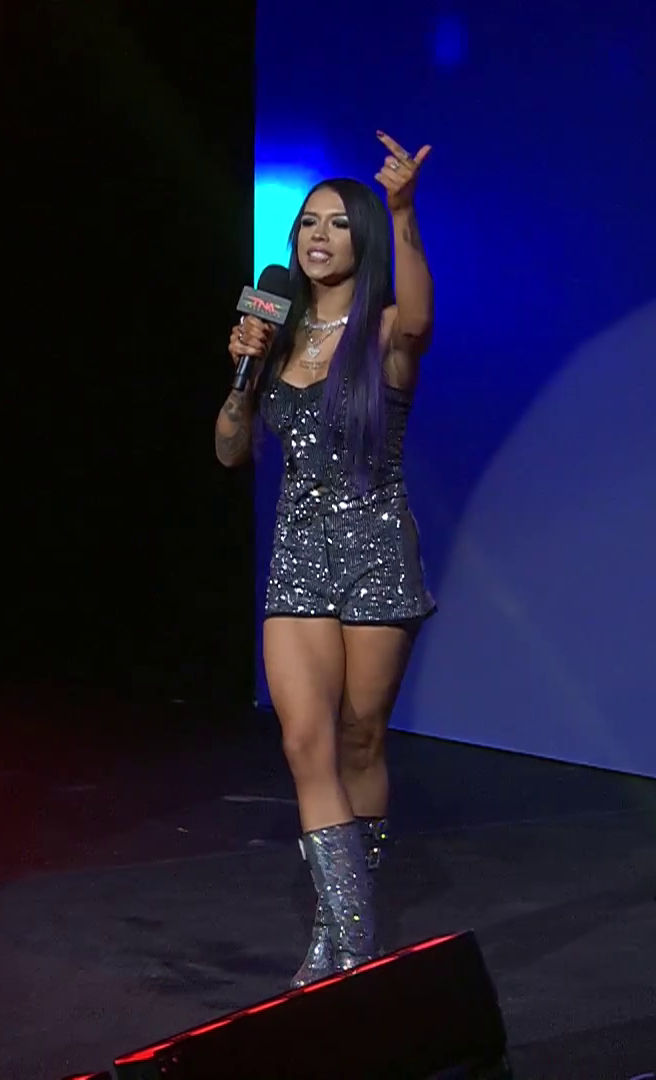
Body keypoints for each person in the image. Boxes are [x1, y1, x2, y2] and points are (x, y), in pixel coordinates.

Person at [214, 133, 438, 987]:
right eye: (309, 222)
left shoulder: (383, 331)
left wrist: (404, 210)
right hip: (299, 555)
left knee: (357, 740)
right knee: (304, 739)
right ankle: (357, 949)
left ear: (363, 241)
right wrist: (242, 376)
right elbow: (230, 451)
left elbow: (418, 320)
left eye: (339, 224)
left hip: (377, 551)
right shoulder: (274, 336)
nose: (319, 236)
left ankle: (337, 934)